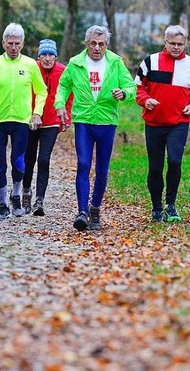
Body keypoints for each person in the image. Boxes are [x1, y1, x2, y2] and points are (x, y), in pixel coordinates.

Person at [55, 25, 136, 231]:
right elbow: (63, 86)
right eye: (93, 43)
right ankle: (81, 212)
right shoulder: (75, 63)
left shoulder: (116, 62)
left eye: (101, 44)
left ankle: (95, 209)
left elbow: (131, 86)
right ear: (87, 43)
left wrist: (124, 93)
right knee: (83, 164)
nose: (97, 48)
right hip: (83, 120)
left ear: (106, 45)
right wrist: (60, 105)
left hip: (107, 121)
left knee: (102, 170)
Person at [135, 25, 190, 223]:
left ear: (186, 44)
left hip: (179, 122)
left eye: (180, 44)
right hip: (154, 122)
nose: (176, 47)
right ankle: (156, 208)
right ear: (165, 42)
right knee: (155, 166)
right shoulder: (151, 62)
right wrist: (146, 100)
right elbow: (139, 87)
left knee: (175, 161)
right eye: (172, 43)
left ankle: (171, 205)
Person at [0, 23, 48, 221]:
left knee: (18, 162)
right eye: (10, 43)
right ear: (3, 43)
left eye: (17, 43)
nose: (13, 47)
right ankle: (2, 204)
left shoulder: (30, 65)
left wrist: (37, 113)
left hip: (21, 120)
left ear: (23, 44)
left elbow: (42, 91)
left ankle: (16, 197)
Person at [22, 39, 72, 216]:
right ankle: (26, 192)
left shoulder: (63, 71)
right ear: (39, 56)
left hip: (51, 121)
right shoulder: (31, 68)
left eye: (51, 55)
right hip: (31, 119)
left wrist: (66, 115)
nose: (47, 58)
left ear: (56, 56)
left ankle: (39, 200)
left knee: (44, 159)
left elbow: (69, 94)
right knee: (29, 159)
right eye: (43, 54)